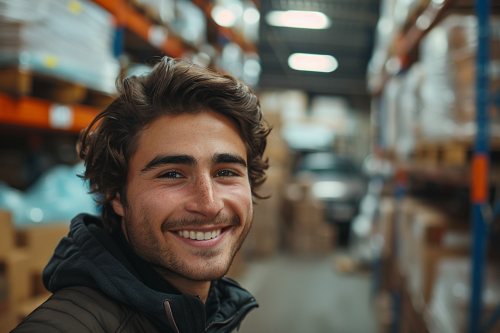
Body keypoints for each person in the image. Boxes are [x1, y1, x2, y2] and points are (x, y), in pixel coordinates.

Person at [12, 57, 271, 333]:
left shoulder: (211, 310)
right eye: (172, 174)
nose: (209, 205)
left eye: (225, 172)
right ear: (116, 195)